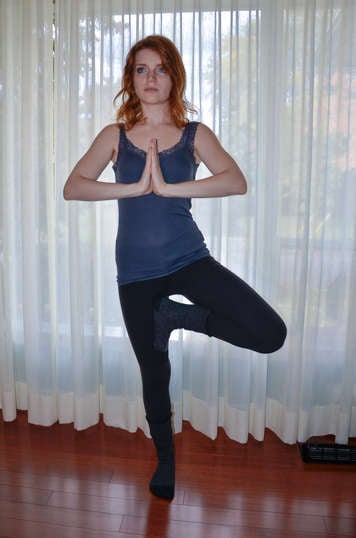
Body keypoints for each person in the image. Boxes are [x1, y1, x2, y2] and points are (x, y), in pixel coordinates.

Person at [63, 35, 287, 501]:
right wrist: (134, 189)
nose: (150, 78)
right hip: (137, 275)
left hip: (189, 260)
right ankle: (165, 458)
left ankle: (181, 316)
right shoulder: (115, 136)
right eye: (142, 69)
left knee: (270, 334)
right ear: (131, 79)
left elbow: (235, 181)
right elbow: (74, 187)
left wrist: (169, 188)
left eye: (160, 69)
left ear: (174, 77)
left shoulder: (194, 134)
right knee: (154, 372)